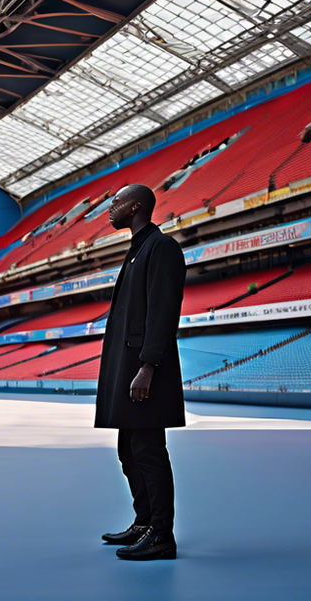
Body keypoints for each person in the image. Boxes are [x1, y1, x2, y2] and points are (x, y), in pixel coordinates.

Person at [96, 183, 185, 561]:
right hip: (127, 368)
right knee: (128, 451)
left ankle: (161, 535)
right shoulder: (138, 249)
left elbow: (163, 312)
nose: (110, 209)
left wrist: (148, 368)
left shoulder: (161, 247)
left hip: (144, 371)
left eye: (116, 202)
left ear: (134, 207)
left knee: (148, 451)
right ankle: (144, 521)